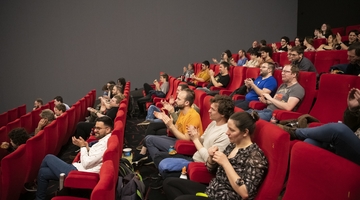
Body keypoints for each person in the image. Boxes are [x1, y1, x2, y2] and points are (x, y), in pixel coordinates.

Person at [163, 111, 268, 200]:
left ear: (245, 132)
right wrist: (211, 158)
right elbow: (211, 170)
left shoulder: (255, 156)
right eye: (228, 128)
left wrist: (226, 163)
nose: (227, 133)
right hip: (212, 190)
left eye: (232, 130)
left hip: (224, 196)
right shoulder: (232, 146)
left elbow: (245, 193)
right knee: (169, 183)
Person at [148, 95, 234, 189]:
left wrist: (195, 139)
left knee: (165, 167)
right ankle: (164, 177)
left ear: (222, 114)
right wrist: (195, 135)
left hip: (199, 163)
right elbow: (202, 139)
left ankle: (166, 179)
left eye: (212, 109)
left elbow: (210, 160)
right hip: (195, 156)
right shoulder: (213, 123)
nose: (209, 111)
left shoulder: (226, 133)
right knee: (158, 156)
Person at [27, 116, 113, 200]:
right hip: (80, 168)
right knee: (43, 172)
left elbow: (87, 164)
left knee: (48, 157)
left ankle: (36, 184)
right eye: (95, 128)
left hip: (79, 172)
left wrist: (82, 147)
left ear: (107, 129)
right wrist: (87, 147)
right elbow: (95, 156)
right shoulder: (105, 139)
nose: (95, 130)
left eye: (98, 128)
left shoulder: (105, 143)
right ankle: (39, 197)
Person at [281, 88, 360, 165]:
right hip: (350, 144)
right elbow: (349, 126)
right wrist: (352, 109)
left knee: (338, 129)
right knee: (309, 143)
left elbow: (343, 130)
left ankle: (294, 132)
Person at [133, 88, 203, 164]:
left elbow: (187, 139)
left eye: (179, 99)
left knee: (149, 140)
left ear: (186, 103)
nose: (176, 100)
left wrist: (171, 126)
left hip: (185, 145)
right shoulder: (183, 112)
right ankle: (159, 161)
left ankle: (160, 164)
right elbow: (176, 128)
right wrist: (166, 121)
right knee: (148, 138)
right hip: (178, 140)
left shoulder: (193, 116)